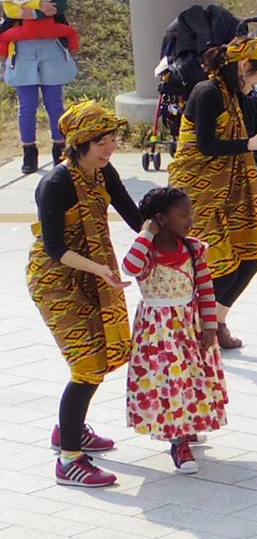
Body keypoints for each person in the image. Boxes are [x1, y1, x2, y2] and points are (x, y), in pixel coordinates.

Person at [33, 103, 141, 488]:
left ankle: (69, 431)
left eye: (112, 138)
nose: (111, 146)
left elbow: (133, 213)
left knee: (101, 356)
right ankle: (70, 460)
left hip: (94, 274)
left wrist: (168, 236)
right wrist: (101, 271)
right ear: (79, 143)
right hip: (56, 281)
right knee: (87, 366)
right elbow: (54, 249)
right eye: (102, 140)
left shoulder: (102, 171)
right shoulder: (55, 184)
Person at [169, 37, 257, 350]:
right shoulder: (207, 93)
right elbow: (206, 145)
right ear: (243, 66)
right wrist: (248, 144)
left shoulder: (240, 97)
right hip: (198, 191)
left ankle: (216, 321)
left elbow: (247, 146)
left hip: (231, 191)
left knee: (252, 256)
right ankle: (197, 328)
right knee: (222, 268)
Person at [117, 185, 228, 476]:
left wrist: (210, 327)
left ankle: (187, 425)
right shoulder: (147, 251)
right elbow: (129, 267)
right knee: (170, 381)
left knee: (191, 378)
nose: (190, 220)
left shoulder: (194, 248)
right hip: (158, 330)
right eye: (182, 215)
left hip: (189, 324)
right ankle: (178, 442)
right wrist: (146, 233)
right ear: (160, 219)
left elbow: (205, 288)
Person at [3, 0, 74, 175]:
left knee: (55, 103)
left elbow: (59, 6)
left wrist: (35, 11)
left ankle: (59, 148)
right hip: (22, 48)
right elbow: (9, 11)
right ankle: (29, 151)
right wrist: (37, 9)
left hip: (50, 44)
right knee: (27, 105)